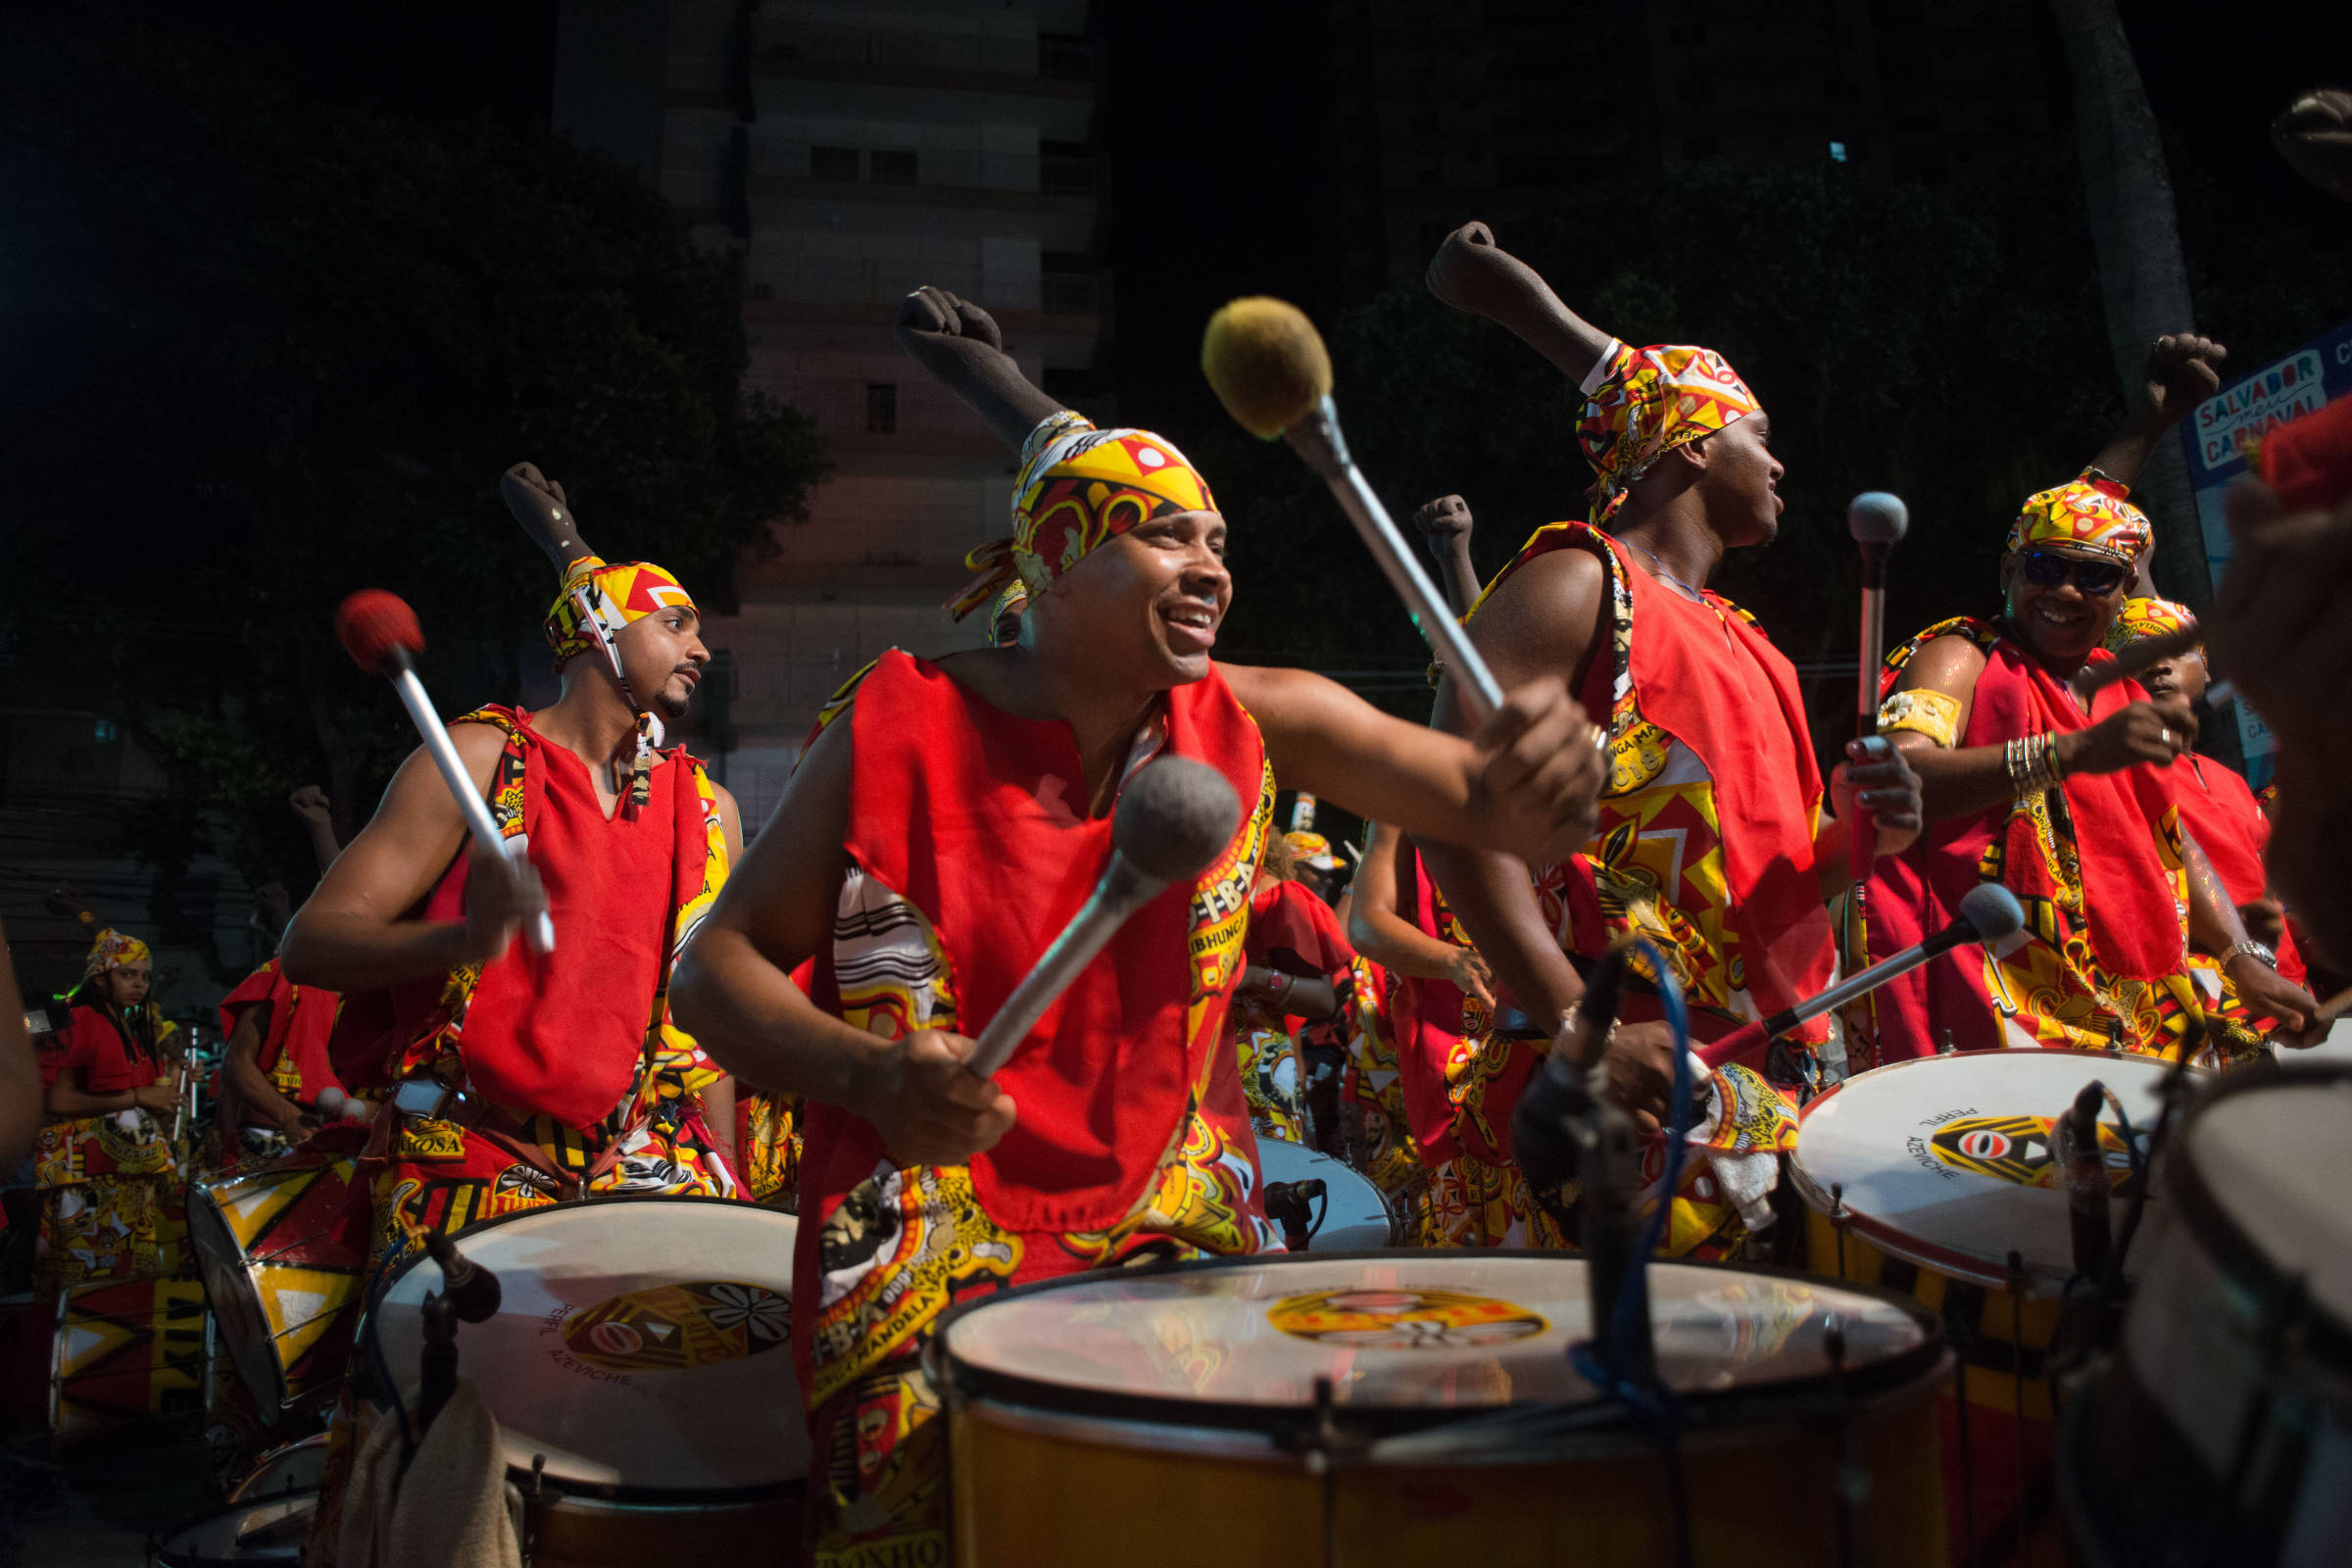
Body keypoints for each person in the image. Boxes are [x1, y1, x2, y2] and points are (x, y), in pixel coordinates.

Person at [669, 284, 1607, 1566]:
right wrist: (867, 1074)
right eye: (1168, 539)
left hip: (1174, 1226)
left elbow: (1482, 802)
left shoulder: (1262, 713)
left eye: (1218, 540)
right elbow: (710, 974)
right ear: (1054, 553)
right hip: (926, 1234)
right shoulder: (898, 725)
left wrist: (1546, 766)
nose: (1213, 568)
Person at [1409, 220, 1924, 1253]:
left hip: (1765, 1091)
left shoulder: (1755, 644)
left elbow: (1784, 879)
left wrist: (1875, 832)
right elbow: (1452, 811)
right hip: (1617, 1100)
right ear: (1692, 444)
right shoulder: (1574, 581)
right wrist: (1578, 1026)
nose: (1778, 464)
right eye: (1758, 435)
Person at [1865, 411, 2317, 1060]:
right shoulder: (1960, 656)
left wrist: (2243, 959)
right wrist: (2070, 752)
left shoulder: (2116, 685)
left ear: (2126, 588)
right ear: (2009, 571)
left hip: (2140, 1011)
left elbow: (2170, 833)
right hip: (2006, 1005)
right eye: (2046, 567)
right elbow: (1897, 780)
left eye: (2096, 575)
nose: (2066, 590)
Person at [2103, 597, 2310, 1055]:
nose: (2156, 665)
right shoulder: (2113, 773)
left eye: (2175, 650)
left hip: (2287, 998)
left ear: (2207, 669)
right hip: (2199, 1007)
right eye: (2135, 652)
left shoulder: (2230, 781)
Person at [33, 928, 183, 1289]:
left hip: (122, 1181)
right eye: (126, 974)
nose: (139, 984)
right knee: (83, 1283)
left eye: (144, 976)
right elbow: (59, 1101)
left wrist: (164, 1087)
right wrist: (138, 1098)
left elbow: (148, 1100)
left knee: (123, 1286)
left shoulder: (128, 1027)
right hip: (85, 1179)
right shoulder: (81, 1019)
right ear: (100, 979)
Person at [214, 788, 348, 1169]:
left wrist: (322, 828)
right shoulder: (281, 975)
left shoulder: (365, 988)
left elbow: (344, 895)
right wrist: (287, 1116)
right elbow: (236, 1065)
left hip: (336, 1136)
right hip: (272, 1137)